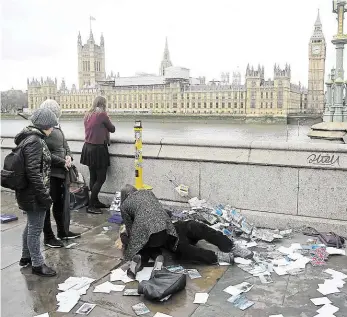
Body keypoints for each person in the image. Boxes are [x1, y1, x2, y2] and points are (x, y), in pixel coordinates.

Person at [120, 185, 253, 276]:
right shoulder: (141, 200)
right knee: (183, 249)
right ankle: (217, 256)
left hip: (173, 227)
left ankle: (231, 246)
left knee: (196, 226)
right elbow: (132, 237)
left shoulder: (137, 204)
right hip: (165, 237)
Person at [17, 108, 64, 277]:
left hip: (29, 192)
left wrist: (62, 161)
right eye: (51, 125)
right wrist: (44, 195)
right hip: (34, 193)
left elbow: (46, 158)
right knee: (35, 229)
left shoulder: (33, 138)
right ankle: (37, 264)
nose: (53, 129)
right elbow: (33, 172)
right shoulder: (35, 141)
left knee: (31, 225)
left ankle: (25, 257)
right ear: (44, 125)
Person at [40, 99, 81, 248]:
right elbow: (44, 153)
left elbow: (65, 145)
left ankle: (63, 231)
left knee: (60, 204)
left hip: (61, 172)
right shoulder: (43, 129)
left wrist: (69, 156)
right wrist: (62, 161)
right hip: (50, 173)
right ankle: (48, 236)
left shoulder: (56, 126)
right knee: (48, 205)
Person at [120, 184, 179, 276]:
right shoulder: (148, 193)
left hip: (147, 231)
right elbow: (158, 209)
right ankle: (158, 257)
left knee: (140, 245)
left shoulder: (124, 205)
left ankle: (138, 257)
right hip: (165, 230)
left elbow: (130, 229)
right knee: (153, 244)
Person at [80, 96, 115, 214]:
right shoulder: (102, 115)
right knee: (101, 178)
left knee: (93, 177)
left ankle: (95, 201)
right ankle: (91, 206)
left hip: (88, 148)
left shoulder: (87, 114)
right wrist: (108, 118)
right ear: (103, 104)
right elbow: (112, 129)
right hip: (98, 149)